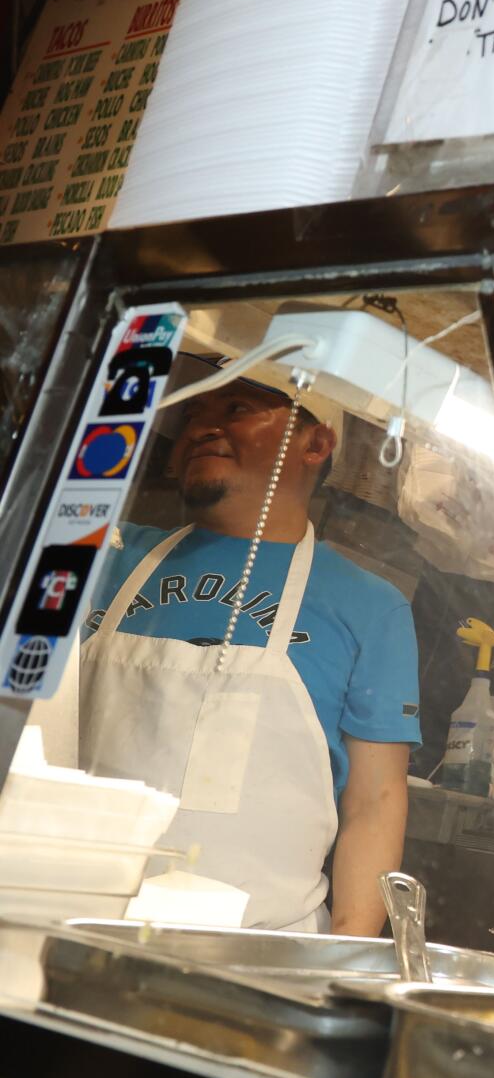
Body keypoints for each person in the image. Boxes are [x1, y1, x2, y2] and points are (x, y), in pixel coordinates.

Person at [74, 362, 420, 934]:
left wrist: (338, 965)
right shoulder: (102, 553)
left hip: (257, 953)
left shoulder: (369, 606)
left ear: (316, 443)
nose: (203, 428)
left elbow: (375, 804)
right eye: (193, 414)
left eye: (236, 409)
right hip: (66, 922)